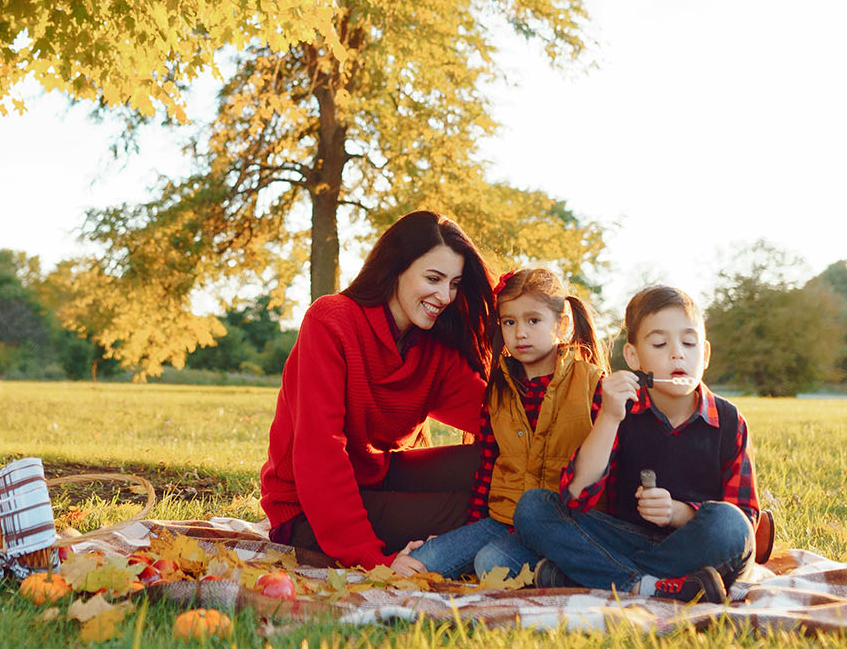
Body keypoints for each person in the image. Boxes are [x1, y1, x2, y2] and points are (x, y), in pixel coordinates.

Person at [259, 210, 497, 571]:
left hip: (376, 475)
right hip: (306, 510)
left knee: (498, 467)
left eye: (454, 283)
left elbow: (497, 417)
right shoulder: (331, 322)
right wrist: (372, 559)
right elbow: (320, 454)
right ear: (396, 267)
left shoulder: (432, 348)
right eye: (433, 278)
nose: (445, 295)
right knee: (481, 507)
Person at [512, 285, 757, 603]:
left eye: (689, 342)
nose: (677, 353)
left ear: (705, 354)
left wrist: (679, 513)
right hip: (627, 539)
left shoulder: (729, 421)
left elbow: (745, 521)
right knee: (533, 507)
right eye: (659, 343)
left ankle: (595, 576)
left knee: (730, 525)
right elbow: (576, 496)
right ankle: (654, 587)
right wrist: (609, 417)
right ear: (633, 356)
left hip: (697, 546)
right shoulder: (619, 408)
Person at [396, 267, 632, 579]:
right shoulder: (498, 392)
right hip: (502, 519)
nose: (520, 333)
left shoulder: (592, 384)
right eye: (510, 322)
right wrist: (467, 533)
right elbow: (487, 469)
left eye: (533, 321)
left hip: (567, 525)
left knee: (491, 563)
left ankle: (562, 570)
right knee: (421, 562)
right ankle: (547, 571)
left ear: (561, 325)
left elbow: (613, 470)